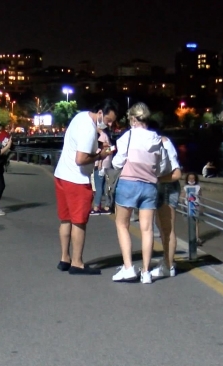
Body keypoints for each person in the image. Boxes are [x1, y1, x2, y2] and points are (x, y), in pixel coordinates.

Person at [54, 100, 117, 275]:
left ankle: (64, 259)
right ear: (99, 113)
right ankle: (77, 263)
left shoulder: (80, 116)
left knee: (65, 220)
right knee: (79, 222)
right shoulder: (89, 130)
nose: (109, 124)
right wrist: (100, 155)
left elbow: (80, 144)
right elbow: (80, 160)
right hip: (77, 180)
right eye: (109, 120)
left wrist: (97, 145)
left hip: (61, 175)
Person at [111, 102, 168, 284]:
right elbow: (163, 167)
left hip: (128, 183)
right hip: (149, 186)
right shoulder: (157, 139)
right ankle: (146, 272)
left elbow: (117, 163)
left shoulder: (127, 137)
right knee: (147, 229)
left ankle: (128, 268)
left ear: (133, 119)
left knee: (122, 224)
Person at [147, 120, 183, 279]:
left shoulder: (165, 143)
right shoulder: (153, 144)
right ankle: (167, 261)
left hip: (167, 186)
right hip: (160, 186)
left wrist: (155, 179)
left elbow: (177, 173)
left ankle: (169, 266)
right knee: (161, 227)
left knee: (167, 229)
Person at [91, 115, 117, 215]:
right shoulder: (108, 137)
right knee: (107, 187)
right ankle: (107, 206)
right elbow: (112, 149)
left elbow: (101, 150)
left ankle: (96, 207)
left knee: (98, 187)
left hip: (101, 165)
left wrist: (99, 161)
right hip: (108, 165)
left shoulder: (102, 137)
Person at [181, 173, 203, 245]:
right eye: (189, 178)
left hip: (196, 206)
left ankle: (197, 238)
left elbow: (200, 197)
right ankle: (191, 237)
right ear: (187, 179)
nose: (191, 180)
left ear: (195, 179)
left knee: (196, 223)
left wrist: (201, 207)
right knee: (190, 223)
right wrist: (182, 206)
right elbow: (182, 197)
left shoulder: (198, 187)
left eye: (193, 178)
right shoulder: (185, 187)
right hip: (187, 206)